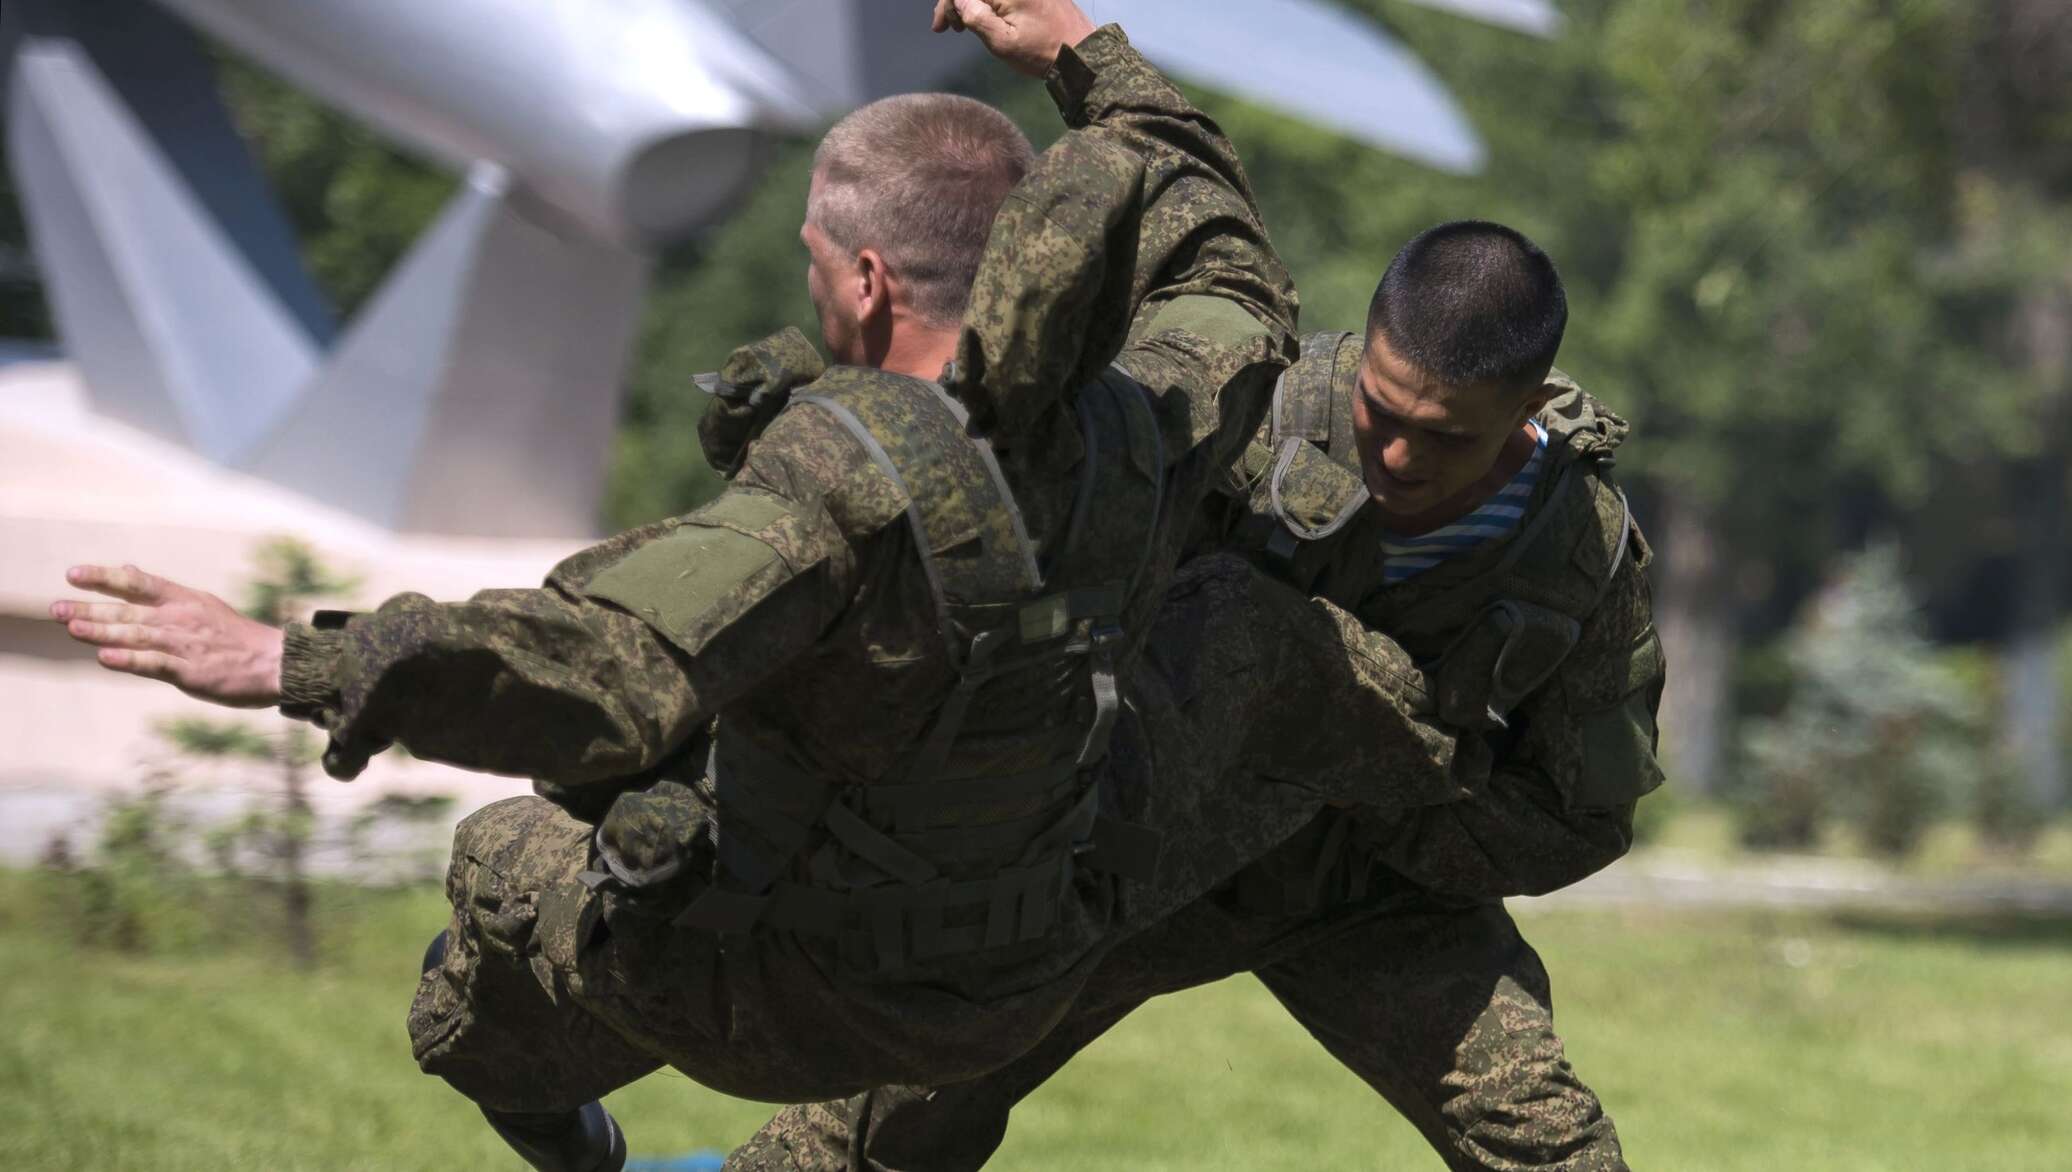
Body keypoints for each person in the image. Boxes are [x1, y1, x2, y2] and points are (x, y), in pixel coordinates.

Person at [45, 4, 1448, 1169]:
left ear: (872, 282)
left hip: (795, 1000)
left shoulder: (841, 476)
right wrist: (1092, 52)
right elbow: (1232, 274)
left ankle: (574, 1147)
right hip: (1019, 979)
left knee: (496, 867)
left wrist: (290, 659)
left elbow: (594, 671)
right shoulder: (1145, 430)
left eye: (817, 265)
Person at [729, 222, 1663, 1171]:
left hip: (1373, 890)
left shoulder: (1576, 550)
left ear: (1531, 406)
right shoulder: (1251, 411)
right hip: (1138, 844)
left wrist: (1376, 795)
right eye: (1383, 413)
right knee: (889, 1103)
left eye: (1447, 436)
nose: (1400, 459)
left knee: (1553, 1147)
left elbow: (1579, 816)